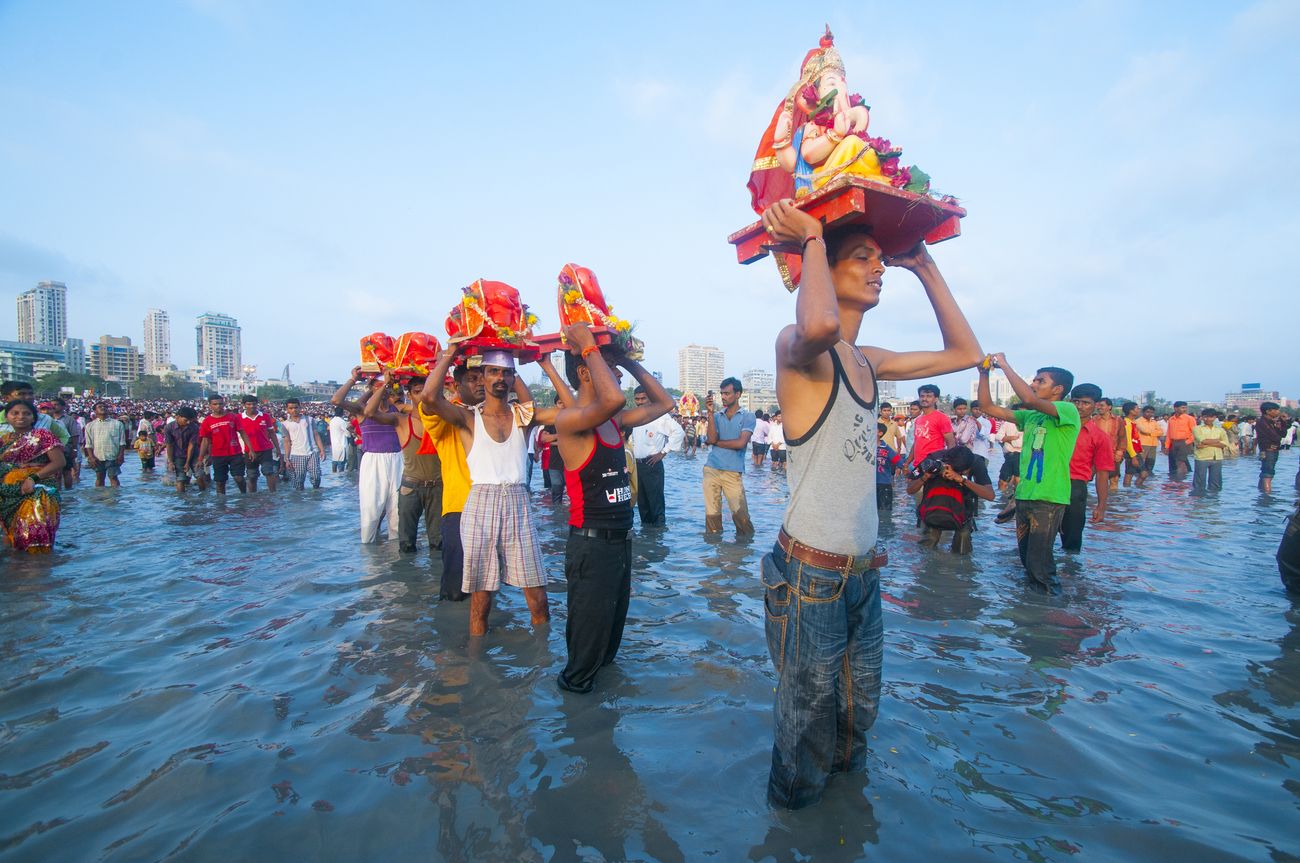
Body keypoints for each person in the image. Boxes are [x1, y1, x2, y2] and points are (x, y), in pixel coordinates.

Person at [759, 199, 982, 809]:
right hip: (808, 575)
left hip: (861, 574)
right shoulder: (797, 348)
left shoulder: (870, 362)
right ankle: (793, 835)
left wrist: (925, 266)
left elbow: (965, 355)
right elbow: (820, 326)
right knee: (806, 726)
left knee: (857, 722)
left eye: (881, 260)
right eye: (864, 258)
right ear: (824, 273)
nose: (879, 268)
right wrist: (809, 237)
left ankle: (845, 832)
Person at [553, 324, 674, 693]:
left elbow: (664, 404)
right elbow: (613, 399)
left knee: (608, 648)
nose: (618, 376)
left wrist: (626, 360)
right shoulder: (570, 421)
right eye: (611, 368)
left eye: (616, 368)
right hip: (591, 547)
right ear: (587, 372)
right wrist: (590, 347)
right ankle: (575, 725)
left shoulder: (615, 422)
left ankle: (602, 721)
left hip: (621, 543)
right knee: (584, 659)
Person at [424, 346, 551, 636]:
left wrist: (527, 358)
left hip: (518, 501)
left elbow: (565, 409)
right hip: (480, 502)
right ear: (482, 376)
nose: (500, 378)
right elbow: (430, 398)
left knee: (539, 598)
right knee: (481, 601)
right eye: (493, 371)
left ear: (514, 376)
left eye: (506, 372)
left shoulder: (522, 417)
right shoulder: (467, 418)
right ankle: (476, 663)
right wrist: (451, 351)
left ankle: (541, 664)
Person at [978, 356, 1079, 591]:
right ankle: (1033, 608)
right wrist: (984, 374)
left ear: (1058, 389)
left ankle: (1049, 610)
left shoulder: (1067, 410)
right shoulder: (1031, 416)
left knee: (1040, 564)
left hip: (1049, 498)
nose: (1034, 383)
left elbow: (1028, 398)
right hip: (1026, 495)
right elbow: (988, 407)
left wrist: (1004, 365)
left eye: (1040, 380)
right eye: (1033, 379)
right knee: (1027, 560)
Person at [415, 354, 487, 602]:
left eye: (482, 377)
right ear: (456, 386)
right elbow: (429, 399)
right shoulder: (448, 415)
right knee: (457, 591)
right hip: (460, 508)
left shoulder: (495, 414)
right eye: (472, 379)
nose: (480, 383)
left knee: (486, 588)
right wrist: (450, 354)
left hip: (493, 507)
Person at [363, 374, 440, 551]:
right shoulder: (401, 421)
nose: (422, 396)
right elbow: (369, 412)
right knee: (406, 543)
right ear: (409, 394)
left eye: (426, 391)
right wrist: (386, 384)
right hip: (410, 487)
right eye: (418, 392)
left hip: (439, 487)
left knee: (438, 543)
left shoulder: (443, 419)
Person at [334, 369, 403, 542]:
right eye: (380, 385)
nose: (385, 388)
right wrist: (353, 379)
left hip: (397, 459)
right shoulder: (362, 410)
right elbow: (336, 400)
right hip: (373, 461)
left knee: (397, 513)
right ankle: (370, 559)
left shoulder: (398, 408)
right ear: (371, 388)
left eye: (387, 385)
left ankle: (397, 558)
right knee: (371, 511)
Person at [0, 399, 65, 552]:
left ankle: (40, 570)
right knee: (12, 540)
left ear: (33, 417)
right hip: (8, 492)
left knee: (34, 530)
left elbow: (59, 462)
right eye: (15, 413)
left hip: (39, 488)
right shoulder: (3, 441)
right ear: (7, 417)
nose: (20, 417)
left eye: (26, 413)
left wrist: (33, 478)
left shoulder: (43, 435)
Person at [906, 444, 994, 554]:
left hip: (962, 509)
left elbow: (990, 495)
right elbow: (910, 489)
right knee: (929, 543)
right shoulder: (933, 459)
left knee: (963, 541)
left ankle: (962, 568)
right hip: (934, 506)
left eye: (962, 471)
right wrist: (925, 476)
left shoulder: (976, 462)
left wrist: (962, 480)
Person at [1059, 384, 1114, 553]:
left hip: (1076, 487)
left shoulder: (1099, 437)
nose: (1080, 407)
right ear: (1069, 401)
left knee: (1072, 541)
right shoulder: (1057, 426)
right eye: (1076, 402)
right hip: (1049, 481)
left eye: (1085, 403)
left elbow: (1103, 473)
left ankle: (1071, 575)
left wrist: (1101, 506)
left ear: (1095, 405)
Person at [703, 377, 756, 536]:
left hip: (732, 472)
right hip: (711, 468)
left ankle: (744, 552)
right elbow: (711, 439)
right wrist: (710, 413)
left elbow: (741, 443)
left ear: (738, 394)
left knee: (741, 517)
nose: (724, 397)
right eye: (722, 394)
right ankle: (713, 553)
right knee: (712, 516)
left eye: (727, 393)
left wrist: (717, 443)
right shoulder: (717, 416)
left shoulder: (748, 416)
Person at [628, 384, 685, 527]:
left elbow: (679, 432)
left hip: (652, 464)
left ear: (649, 398)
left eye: (643, 398)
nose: (640, 402)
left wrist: (663, 453)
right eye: (637, 399)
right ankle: (646, 539)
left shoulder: (659, 416)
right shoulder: (634, 416)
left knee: (656, 503)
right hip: (636, 466)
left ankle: (659, 538)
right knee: (642, 504)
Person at [198, 394, 252, 494]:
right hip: (218, 455)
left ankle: (244, 496)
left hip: (235, 453)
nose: (218, 406)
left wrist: (250, 450)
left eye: (220, 404)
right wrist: (201, 458)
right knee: (220, 482)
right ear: (210, 405)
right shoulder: (207, 421)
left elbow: (243, 433)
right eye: (215, 404)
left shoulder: (233, 417)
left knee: (238, 478)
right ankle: (221, 506)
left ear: (224, 404)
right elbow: (205, 441)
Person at [237, 394, 281, 492]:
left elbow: (272, 434)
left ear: (257, 404)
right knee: (252, 475)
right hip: (248, 451)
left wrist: (278, 449)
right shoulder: (239, 418)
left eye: (254, 404)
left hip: (265, 449)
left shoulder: (265, 416)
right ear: (244, 405)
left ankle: (273, 494)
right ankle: (253, 497)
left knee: (269, 472)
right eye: (248, 404)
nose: (251, 406)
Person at [282, 398, 327, 490]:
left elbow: (316, 435)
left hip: (312, 452)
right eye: (291, 408)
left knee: (316, 476)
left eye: (296, 407)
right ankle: (300, 502)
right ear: (287, 409)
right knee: (298, 481)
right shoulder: (285, 424)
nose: (294, 410)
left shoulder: (309, 420)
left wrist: (322, 450)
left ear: (300, 407)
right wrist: (287, 459)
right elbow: (287, 442)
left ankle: (316, 496)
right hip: (296, 454)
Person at [83, 401, 129, 488]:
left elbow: (122, 442)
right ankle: (100, 498)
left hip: (113, 455)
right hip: (97, 456)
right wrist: (91, 457)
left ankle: (115, 498)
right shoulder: (90, 425)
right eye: (100, 407)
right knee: (99, 478)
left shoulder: (117, 424)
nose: (103, 408)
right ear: (95, 411)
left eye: (104, 406)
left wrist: (121, 455)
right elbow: (88, 444)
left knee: (113, 477)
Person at [164, 406, 205, 492]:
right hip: (178, 455)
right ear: (177, 417)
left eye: (190, 420)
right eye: (185, 420)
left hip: (194, 454)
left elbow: (192, 445)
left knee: (200, 476)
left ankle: (203, 495)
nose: (188, 422)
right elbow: (169, 445)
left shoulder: (194, 427)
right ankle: (181, 499)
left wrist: (187, 462)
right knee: (180, 479)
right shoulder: (169, 428)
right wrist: (171, 461)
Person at [1191, 408, 1230, 496]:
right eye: (1205, 417)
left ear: (1215, 418)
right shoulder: (1197, 429)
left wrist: (1207, 444)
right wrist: (1217, 441)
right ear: (1202, 418)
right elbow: (1202, 440)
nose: (1207, 419)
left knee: (1216, 484)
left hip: (1217, 458)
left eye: (1210, 417)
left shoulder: (1220, 430)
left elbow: (1225, 443)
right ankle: (1199, 500)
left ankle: (1214, 502)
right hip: (1202, 457)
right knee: (1199, 483)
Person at [1254, 402, 1288, 493]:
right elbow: (1275, 437)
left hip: (1273, 450)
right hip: (1267, 450)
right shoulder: (1262, 422)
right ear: (1268, 411)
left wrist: (1283, 422)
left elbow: (1283, 434)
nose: (1278, 412)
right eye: (1276, 410)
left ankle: (1262, 492)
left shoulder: (1272, 422)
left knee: (1266, 472)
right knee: (1268, 473)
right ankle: (1267, 493)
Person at [1164, 401, 1196, 481]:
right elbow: (1169, 434)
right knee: (1174, 461)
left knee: (1180, 461)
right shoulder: (1171, 419)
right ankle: (1176, 479)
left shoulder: (1189, 419)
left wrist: (1187, 442)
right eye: (1182, 408)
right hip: (1173, 442)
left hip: (1184, 442)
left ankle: (1181, 480)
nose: (1184, 409)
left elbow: (1195, 433)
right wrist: (1166, 446)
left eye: (1185, 407)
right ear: (1175, 408)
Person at [875, 421, 902, 510]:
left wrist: (906, 470)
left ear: (880, 433)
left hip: (884, 483)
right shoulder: (865, 447)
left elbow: (898, 461)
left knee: (884, 511)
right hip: (869, 485)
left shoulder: (885, 448)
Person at [1120, 402, 1145, 487]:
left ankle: (1129, 491)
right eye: (1137, 408)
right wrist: (1133, 456)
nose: (1139, 410)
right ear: (1131, 411)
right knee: (1142, 474)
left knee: (1130, 473)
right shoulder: (1127, 423)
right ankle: (1132, 491)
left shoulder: (1132, 422)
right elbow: (1128, 441)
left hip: (1134, 451)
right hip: (1132, 452)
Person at [1135, 406, 1161, 485]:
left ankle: (1148, 481)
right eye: (1148, 412)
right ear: (1143, 412)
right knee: (1140, 464)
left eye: (1152, 412)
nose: (1150, 414)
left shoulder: (1154, 422)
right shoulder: (1138, 421)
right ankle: (1138, 480)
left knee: (1150, 463)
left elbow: (1161, 432)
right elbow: (1144, 430)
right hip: (1143, 444)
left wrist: (1151, 433)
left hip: (1153, 444)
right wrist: (1154, 432)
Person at [328, 407, 350, 473]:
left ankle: (334, 477)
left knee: (334, 462)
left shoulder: (332, 421)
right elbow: (348, 434)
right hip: (341, 444)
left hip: (334, 445)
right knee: (341, 464)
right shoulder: (342, 421)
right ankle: (341, 481)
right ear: (342, 413)